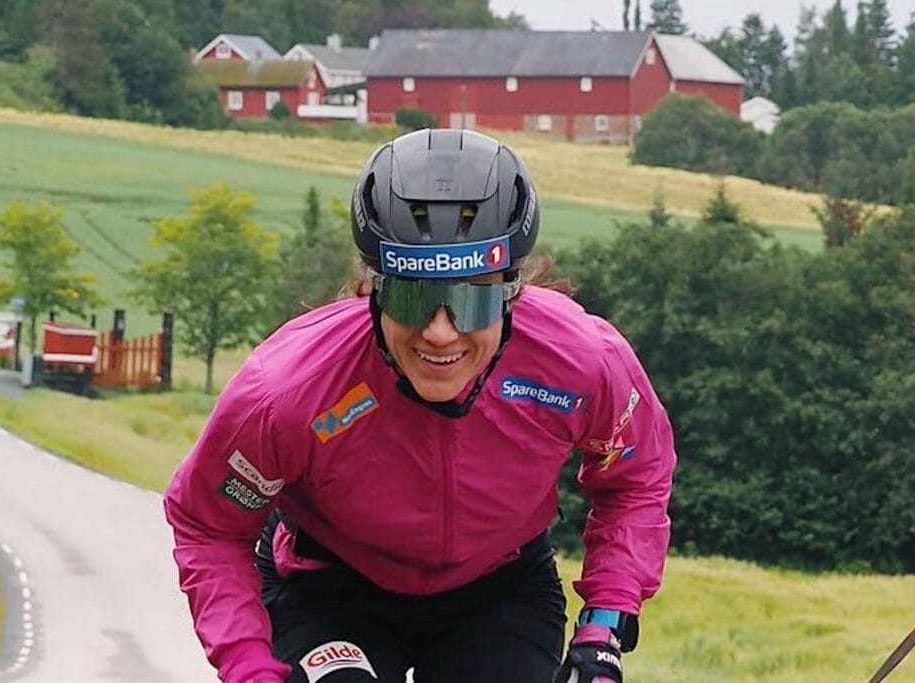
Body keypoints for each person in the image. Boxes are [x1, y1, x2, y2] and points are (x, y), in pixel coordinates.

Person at [164, 128, 677, 683]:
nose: (440, 332)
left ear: (511, 290)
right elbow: (209, 523)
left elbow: (635, 479)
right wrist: (247, 666)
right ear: (375, 288)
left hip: (497, 593)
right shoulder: (287, 392)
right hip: (329, 589)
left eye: (471, 300)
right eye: (414, 296)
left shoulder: (582, 362)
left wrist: (605, 622)